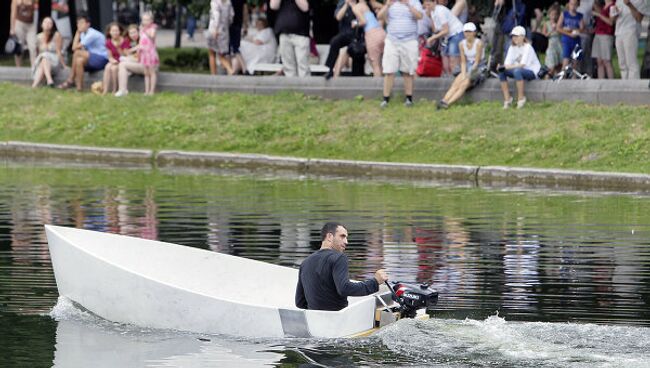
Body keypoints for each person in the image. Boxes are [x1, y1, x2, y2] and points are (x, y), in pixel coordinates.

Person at [295, 222, 389, 311]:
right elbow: (344, 288)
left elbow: (299, 302)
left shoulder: (305, 263)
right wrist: (375, 282)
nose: (346, 242)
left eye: (346, 238)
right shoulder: (339, 257)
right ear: (329, 236)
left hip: (314, 321)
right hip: (338, 321)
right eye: (342, 236)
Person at [377, 0, 424, 108]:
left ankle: (409, 99)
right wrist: (388, 5)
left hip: (409, 40)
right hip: (392, 40)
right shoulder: (390, 2)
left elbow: (420, 16)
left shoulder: (414, 2)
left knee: (408, 71)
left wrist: (408, 4)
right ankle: (385, 100)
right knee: (389, 71)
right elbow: (379, 16)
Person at [436, 22, 484, 109]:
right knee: (456, 83)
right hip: (467, 65)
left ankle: (448, 103)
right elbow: (463, 61)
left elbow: (477, 61)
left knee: (464, 84)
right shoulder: (461, 44)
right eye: (466, 32)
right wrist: (463, 73)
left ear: (474, 33)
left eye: (470, 32)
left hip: (477, 66)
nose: (468, 34)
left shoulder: (478, 43)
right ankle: (444, 100)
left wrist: (468, 74)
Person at [57, 14, 108, 91]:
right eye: (78, 23)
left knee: (77, 52)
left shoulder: (92, 33)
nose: (79, 25)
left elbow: (74, 48)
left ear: (88, 24)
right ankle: (79, 88)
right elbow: (74, 47)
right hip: (92, 58)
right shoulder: (83, 34)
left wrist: (77, 33)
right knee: (79, 61)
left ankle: (70, 80)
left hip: (102, 58)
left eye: (81, 23)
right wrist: (78, 33)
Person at [498, 25, 541, 109]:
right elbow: (507, 63)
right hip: (517, 69)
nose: (514, 38)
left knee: (517, 71)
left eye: (517, 36)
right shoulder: (512, 48)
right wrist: (502, 67)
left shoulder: (528, 47)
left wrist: (506, 67)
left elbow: (522, 65)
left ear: (522, 37)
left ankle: (521, 98)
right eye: (513, 36)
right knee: (502, 71)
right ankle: (507, 99)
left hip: (531, 71)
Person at [324, 0, 365, 80]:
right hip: (344, 33)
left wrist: (354, 7)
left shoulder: (360, 4)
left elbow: (363, 20)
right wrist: (346, 4)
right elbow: (338, 17)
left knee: (355, 51)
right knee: (334, 42)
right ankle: (330, 69)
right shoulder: (342, 4)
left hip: (356, 35)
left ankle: (357, 76)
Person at [270, 0, 311, 77]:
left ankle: (305, 87)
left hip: (301, 34)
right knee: (288, 67)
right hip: (284, 34)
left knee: (303, 65)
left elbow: (305, 7)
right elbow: (273, 6)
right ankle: (291, 87)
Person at [612, 0, 650, 79]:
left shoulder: (639, 1)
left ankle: (634, 85)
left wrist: (629, 5)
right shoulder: (618, 1)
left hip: (631, 31)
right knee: (622, 63)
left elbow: (639, 18)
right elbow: (613, 20)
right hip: (618, 32)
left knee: (631, 61)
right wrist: (615, 14)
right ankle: (625, 84)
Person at [427, 0, 465, 76]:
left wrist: (432, 38)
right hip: (446, 37)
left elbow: (446, 30)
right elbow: (436, 29)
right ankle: (449, 77)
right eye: (426, 4)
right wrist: (429, 16)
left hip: (455, 33)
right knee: (445, 58)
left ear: (434, 2)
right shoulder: (432, 12)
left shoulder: (440, 10)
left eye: (429, 4)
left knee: (453, 59)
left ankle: (458, 78)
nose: (427, 6)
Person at [352, 0, 386, 77]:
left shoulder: (356, 7)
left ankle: (377, 87)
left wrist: (355, 23)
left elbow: (364, 21)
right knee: (381, 63)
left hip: (372, 34)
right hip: (381, 32)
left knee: (375, 64)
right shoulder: (368, 5)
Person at [32, 17, 66, 88]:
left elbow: (58, 51)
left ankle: (46, 81)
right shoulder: (38, 37)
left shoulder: (56, 35)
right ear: (41, 25)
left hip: (55, 60)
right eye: (45, 22)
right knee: (43, 59)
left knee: (44, 56)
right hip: (44, 61)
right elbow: (37, 53)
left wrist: (64, 65)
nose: (47, 24)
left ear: (53, 25)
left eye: (49, 23)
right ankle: (41, 83)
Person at [207, 0, 235, 75]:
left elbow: (216, 15)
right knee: (221, 55)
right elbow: (231, 16)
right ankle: (230, 69)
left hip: (214, 30)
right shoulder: (228, 2)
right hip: (225, 31)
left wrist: (215, 29)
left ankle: (214, 74)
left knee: (212, 54)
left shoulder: (215, 2)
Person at [557, 0, 584, 72]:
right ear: (568, 4)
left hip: (576, 40)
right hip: (566, 40)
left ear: (578, 5)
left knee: (575, 62)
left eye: (575, 4)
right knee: (566, 59)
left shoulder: (579, 16)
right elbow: (558, 28)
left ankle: (574, 79)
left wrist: (572, 29)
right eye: (572, 4)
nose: (573, 6)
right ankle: (563, 77)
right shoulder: (564, 14)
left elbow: (582, 29)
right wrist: (569, 34)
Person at [102, 23, 130, 95]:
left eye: (117, 30)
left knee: (114, 69)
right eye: (113, 31)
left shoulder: (125, 40)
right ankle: (105, 90)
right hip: (114, 60)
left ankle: (115, 89)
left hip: (122, 60)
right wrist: (112, 60)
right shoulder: (108, 42)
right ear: (109, 32)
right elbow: (110, 56)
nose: (115, 33)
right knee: (107, 67)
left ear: (120, 31)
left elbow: (125, 55)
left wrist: (118, 48)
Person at [115, 25, 142, 97]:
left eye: (134, 32)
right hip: (133, 61)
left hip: (143, 64)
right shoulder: (128, 41)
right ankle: (122, 90)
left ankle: (122, 90)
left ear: (139, 32)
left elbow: (139, 57)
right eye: (131, 33)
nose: (133, 35)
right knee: (122, 62)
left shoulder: (142, 40)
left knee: (122, 63)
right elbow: (125, 53)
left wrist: (132, 50)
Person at [592, 0, 616, 79]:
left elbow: (611, 22)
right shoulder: (603, 6)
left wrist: (599, 15)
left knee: (607, 61)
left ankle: (611, 82)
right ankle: (600, 82)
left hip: (606, 35)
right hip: (598, 34)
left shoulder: (612, 6)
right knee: (599, 62)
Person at [10, 0, 37, 67]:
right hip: (19, 24)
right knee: (19, 47)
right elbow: (13, 14)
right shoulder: (15, 1)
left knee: (33, 47)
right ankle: (18, 68)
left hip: (31, 25)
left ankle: (34, 69)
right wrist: (12, 28)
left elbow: (36, 12)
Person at [138, 12, 160, 95]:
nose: (145, 22)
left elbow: (152, 37)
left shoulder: (153, 28)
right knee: (146, 73)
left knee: (152, 72)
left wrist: (145, 30)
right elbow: (141, 40)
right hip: (144, 53)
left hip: (150, 53)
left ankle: (152, 90)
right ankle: (146, 90)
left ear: (151, 21)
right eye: (144, 20)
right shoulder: (141, 29)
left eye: (147, 20)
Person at [542, 3, 563, 76]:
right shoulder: (546, 23)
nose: (553, 16)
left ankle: (558, 79)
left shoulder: (559, 23)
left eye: (555, 14)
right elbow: (544, 35)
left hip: (559, 44)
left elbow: (562, 33)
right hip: (551, 45)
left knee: (559, 64)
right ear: (549, 14)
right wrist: (552, 30)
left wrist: (558, 28)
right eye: (552, 14)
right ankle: (547, 77)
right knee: (551, 64)